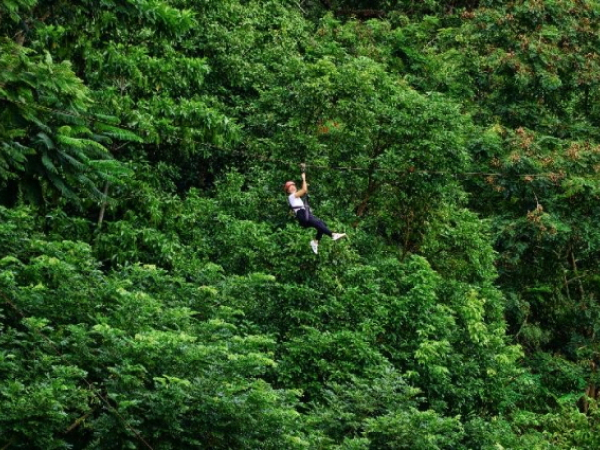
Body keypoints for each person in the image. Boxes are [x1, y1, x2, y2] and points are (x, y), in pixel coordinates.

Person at [284, 171, 346, 254]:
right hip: (302, 215)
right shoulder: (291, 196)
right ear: (288, 191)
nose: (292, 187)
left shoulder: (296, 197)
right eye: (290, 187)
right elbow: (304, 189)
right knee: (319, 223)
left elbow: (304, 190)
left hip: (304, 214)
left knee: (322, 223)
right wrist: (303, 178)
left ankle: (315, 241)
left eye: (293, 186)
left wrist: (304, 182)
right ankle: (333, 235)